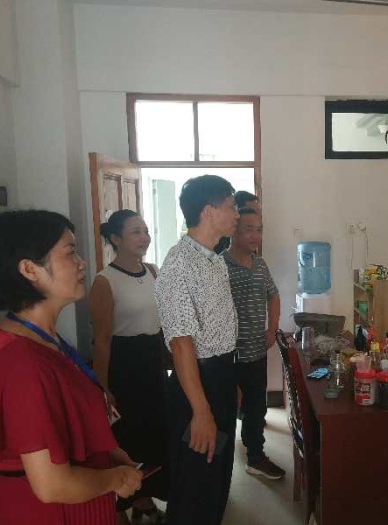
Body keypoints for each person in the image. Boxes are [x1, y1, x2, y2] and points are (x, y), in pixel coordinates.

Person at [0, 210, 143, 525]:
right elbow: (52, 485)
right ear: (29, 269)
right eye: (70, 252)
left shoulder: (44, 339)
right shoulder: (22, 363)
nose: (82, 263)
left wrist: (110, 454)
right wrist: (117, 479)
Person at [155, 175, 240, 525]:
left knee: (217, 478)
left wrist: (229, 381)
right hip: (196, 385)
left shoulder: (214, 259)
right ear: (208, 211)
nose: (237, 214)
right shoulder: (179, 265)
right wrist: (201, 412)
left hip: (219, 377)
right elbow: (181, 345)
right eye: (231, 206)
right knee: (194, 485)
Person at [88, 209, 168, 522]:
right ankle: (129, 501)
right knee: (129, 436)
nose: (144, 237)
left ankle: (147, 496)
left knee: (155, 432)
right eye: (136, 232)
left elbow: (162, 324)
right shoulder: (104, 281)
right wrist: (102, 388)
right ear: (116, 238)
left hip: (153, 362)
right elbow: (102, 341)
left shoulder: (153, 271)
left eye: (145, 230)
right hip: (124, 367)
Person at [225, 207, 284, 480]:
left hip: (256, 351)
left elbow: (274, 295)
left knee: (256, 407)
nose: (255, 235)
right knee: (226, 409)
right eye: (249, 229)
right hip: (227, 354)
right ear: (234, 231)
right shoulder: (220, 265)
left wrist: (272, 328)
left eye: (259, 230)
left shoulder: (260, 264)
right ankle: (219, 466)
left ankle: (255, 457)